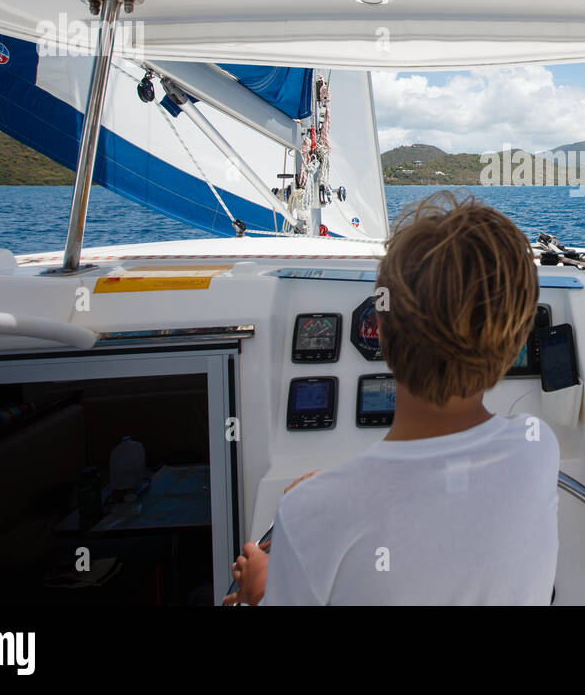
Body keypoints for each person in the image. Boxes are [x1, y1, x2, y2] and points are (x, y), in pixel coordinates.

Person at [224, 190, 560, 605]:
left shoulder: (307, 514)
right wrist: (330, 494)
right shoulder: (538, 447)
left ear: (377, 330)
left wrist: (258, 589)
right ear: (518, 343)